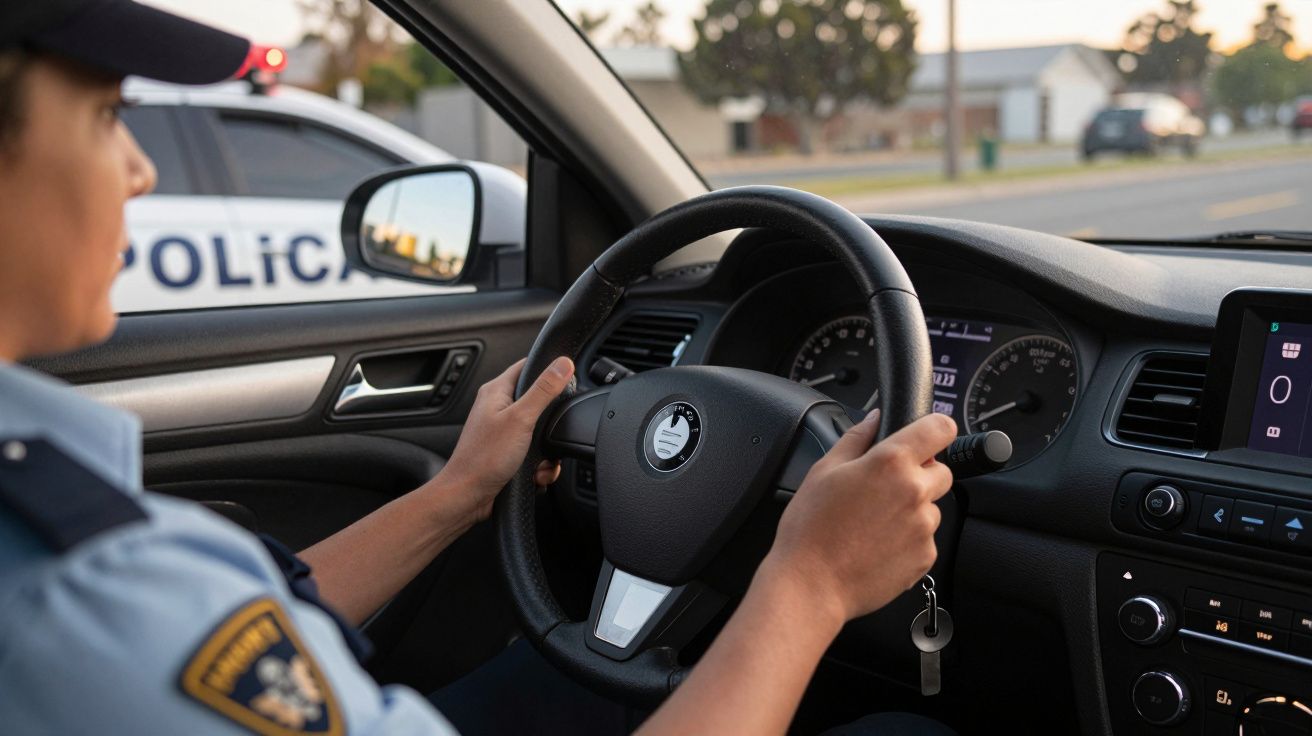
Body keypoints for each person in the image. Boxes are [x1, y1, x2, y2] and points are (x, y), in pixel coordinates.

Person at [0, 1, 958, 734]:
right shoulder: (90, 604)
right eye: (103, 116)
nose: (140, 169)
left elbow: (262, 604)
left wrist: (460, 491)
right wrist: (810, 583)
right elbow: (171, 619)